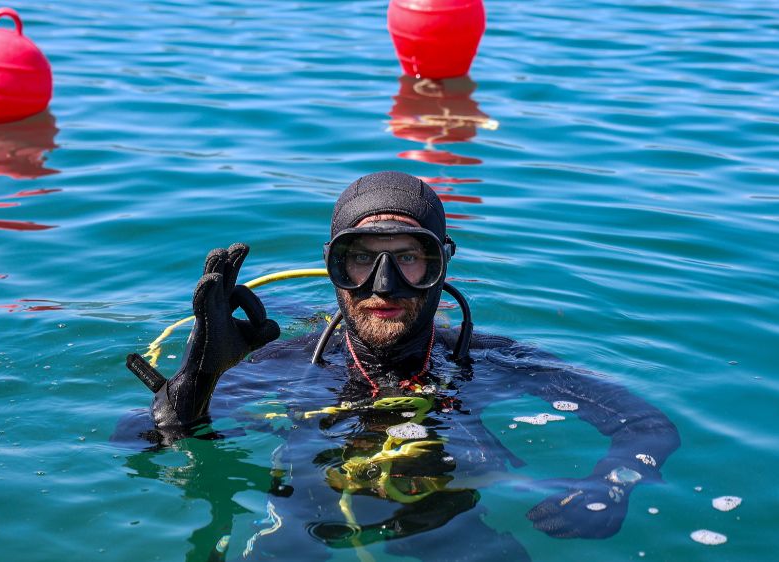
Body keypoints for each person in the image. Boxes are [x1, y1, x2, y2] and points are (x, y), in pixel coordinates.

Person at [116, 171, 680, 561]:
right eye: (360, 258)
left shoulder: (489, 359)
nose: (383, 287)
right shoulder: (284, 361)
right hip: (305, 517)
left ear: (441, 264)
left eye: (408, 257)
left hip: (444, 518)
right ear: (333, 266)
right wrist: (197, 383)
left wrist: (613, 484)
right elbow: (136, 446)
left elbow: (646, 427)